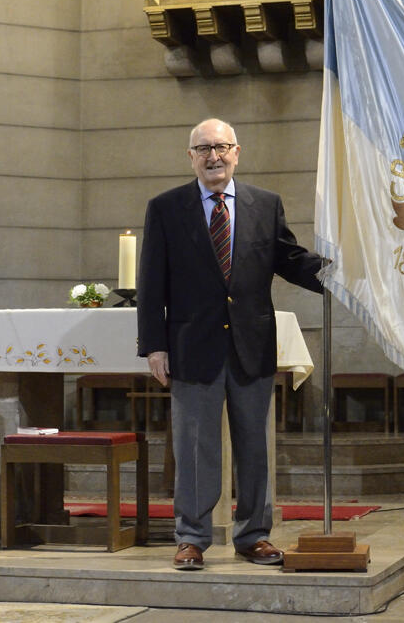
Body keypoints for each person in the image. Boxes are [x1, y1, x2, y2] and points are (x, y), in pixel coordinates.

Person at [137, 118, 324, 570]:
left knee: (254, 446)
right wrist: (154, 346)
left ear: (237, 152)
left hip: (251, 345)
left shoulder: (265, 204)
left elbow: (290, 259)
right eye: (203, 149)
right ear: (190, 157)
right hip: (191, 346)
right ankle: (192, 538)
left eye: (221, 147)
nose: (213, 156)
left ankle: (254, 536)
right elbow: (151, 282)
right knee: (195, 446)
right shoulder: (166, 208)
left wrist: (340, 274)